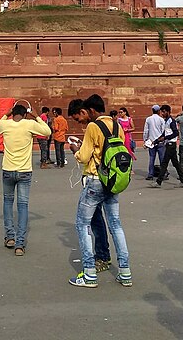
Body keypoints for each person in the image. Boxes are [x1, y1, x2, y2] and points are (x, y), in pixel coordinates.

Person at [67, 94, 132, 288]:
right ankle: (125, 272)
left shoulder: (93, 127)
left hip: (95, 180)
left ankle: (89, 274)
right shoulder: (117, 125)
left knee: (82, 224)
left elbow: (84, 156)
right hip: (113, 180)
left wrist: (75, 150)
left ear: (92, 111)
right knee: (116, 225)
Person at [0, 104, 51, 256]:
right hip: (24, 171)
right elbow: (47, 131)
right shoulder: (30, 124)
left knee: (7, 202)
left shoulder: (5, 124)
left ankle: (10, 237)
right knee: (23, 206)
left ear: (13, 114)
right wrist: (36, 116)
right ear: (25, 114)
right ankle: (20, 244)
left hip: (8, 170)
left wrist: (5, 114)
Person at [151, 104, 183, 188]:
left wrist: (165, 138)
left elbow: (175, 133)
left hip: (171, 144)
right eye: (161, 112)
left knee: (164, 163)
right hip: (168, 144)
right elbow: (165, 133)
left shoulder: (171, 121)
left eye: (164, 112)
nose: (162, 114)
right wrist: (156, 141)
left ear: (168, 112)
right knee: (176, 164)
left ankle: (158, 182)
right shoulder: (166, 121)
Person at [143, 104, 165, 180]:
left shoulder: (148, 119)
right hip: (159, 141)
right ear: (159, 111)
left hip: (151, 141)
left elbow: (146, 131)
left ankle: (150, 174)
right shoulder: (161, 119)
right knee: (162, 159)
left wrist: (145, 140)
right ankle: (163, 174)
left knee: (152, 158)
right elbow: (163, 131)